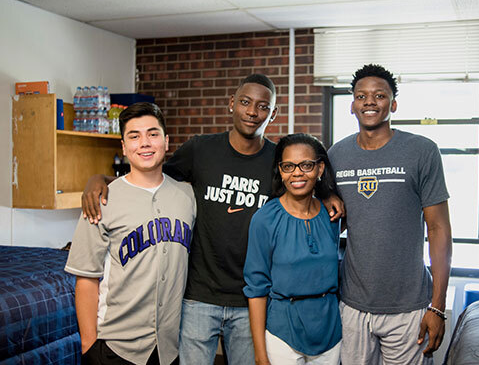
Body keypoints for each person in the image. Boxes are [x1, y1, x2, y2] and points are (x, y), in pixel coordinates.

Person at [80, 74, 344, 365]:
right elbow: (152, 171)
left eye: (262, 106)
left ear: (273, 113)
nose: (252, 112)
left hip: (249, 299)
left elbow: (300, 182)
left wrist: (326, 192)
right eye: (245, 102)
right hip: (198, 296)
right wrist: (102, 179)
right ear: (231, 103)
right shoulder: (200, 149)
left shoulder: (276, 159)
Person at [328, 64, 452, 365]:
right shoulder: (335, 155)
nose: (370, 101)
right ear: (352, 105)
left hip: (409, 307)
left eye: (379, 95)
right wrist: (329, 196)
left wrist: (437, 307)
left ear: (393, 104)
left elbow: (438, 229)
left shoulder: (421, 151)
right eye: (361, 96)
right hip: (352, 305)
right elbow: (332, 220)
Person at [65, 102, 196, 365]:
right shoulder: (102, 198)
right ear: (124, 147)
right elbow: (87, 279)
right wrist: (89, 345)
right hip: (116, 348)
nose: (144, 143)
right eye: (134, 136)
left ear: (166, 141)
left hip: (169, 348)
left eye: (153, 134)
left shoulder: (187, 196)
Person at [244, 133, 342, 365]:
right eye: (288, 166)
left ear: (319, 169)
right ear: (280, 170)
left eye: (306, 165)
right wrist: (260, 353)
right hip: (283, 333)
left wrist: (330, 196)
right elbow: (256, 288)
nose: (297, 173)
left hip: (330, 331)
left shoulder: (333, 215)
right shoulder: (264, 219)